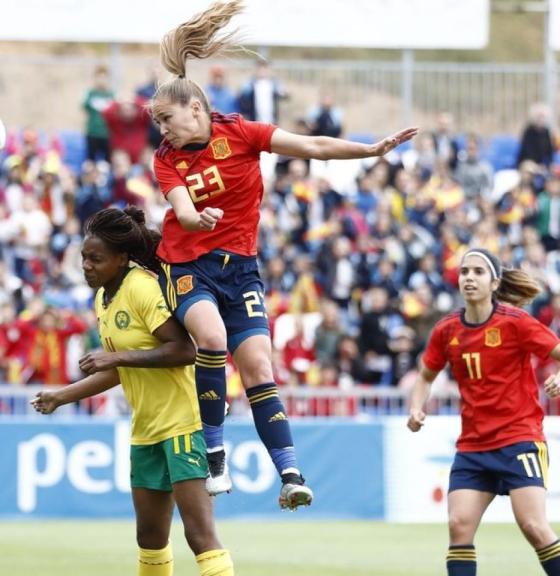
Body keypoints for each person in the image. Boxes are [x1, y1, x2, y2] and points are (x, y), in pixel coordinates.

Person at [148, 0, 417, 506]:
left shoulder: (241, 134)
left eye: (167, 119)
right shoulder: (165, 160)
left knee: (259, 369)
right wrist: (198, 219)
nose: (163, 130)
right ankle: (215, 453)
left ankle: (290, 475)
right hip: (188, 266)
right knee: (212, 338)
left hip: (240, 270)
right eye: (158, 122)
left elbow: (312, 147)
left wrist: (369, 150)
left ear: (196, 109)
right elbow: (182, 211)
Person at [32, 206, 234, 576]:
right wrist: (63, 396)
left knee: (199, 534)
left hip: (185, 424)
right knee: (150, 537)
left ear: (122, 258)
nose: (87, 266)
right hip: (146, 429)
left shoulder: (141, 287)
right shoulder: (102, 299)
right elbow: (120, 368)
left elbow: (184, 350)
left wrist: (116, 357)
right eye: (84, 258)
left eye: (96, 259)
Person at [408, 249, 560, 576]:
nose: (469, 278)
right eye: (464, 271)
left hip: (519, 439)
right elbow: (425, 376)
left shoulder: (515, 322)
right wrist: (416, 407)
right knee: (458, 525)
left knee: (534, 526)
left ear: (494, 283)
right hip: (473, 447)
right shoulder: (447, 330)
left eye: (478, 272)